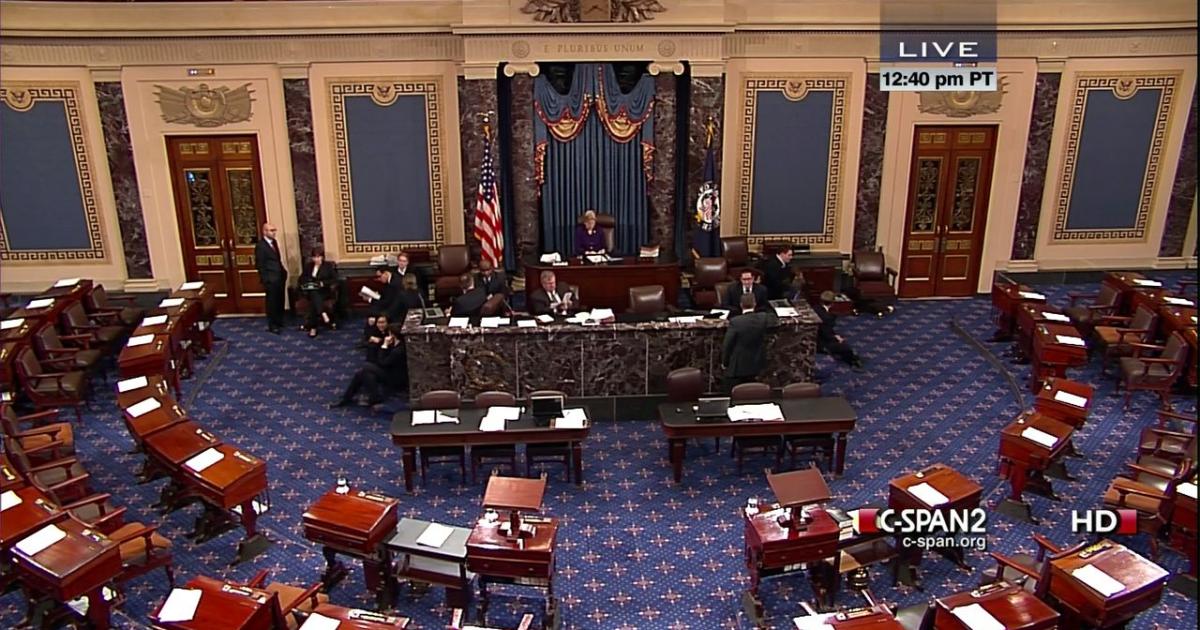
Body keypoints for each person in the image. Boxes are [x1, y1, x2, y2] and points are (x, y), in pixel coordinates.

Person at [330, 315, 406, 410]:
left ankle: (346, 399)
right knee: (364, 374)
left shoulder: (398, 350)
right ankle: (370, 397)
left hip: (394, 377)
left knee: (366, 367)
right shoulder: (395, 345)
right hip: (388, 370)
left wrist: (384, 346)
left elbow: (383, 362)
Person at [722, 293, 779, 391]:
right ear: (755, 304)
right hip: (757, 363)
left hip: (738, 366)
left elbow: (728, 344)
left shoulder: (736, 321)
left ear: (741, 305)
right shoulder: (763, 318)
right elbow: (774, 318)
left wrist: (725, 362)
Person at [815, 290, 864, 370]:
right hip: (821, 343)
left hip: (812, 338)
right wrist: (837, 338)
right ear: (832, 302)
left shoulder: (815, 308)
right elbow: (826, 334)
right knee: (845, 348)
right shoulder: (828, 317)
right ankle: (854, 361)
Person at [254, 223, 287, 334]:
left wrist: (283, 272)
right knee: (272, 302)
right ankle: (272, 325)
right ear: (265, 232)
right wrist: (265, 280)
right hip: (270, 279)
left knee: (279, 300)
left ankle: (279, 321)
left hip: (279, 276)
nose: (273, 232)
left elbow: (277, 260)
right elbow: (260, 265)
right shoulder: (261, 246)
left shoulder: (274, 243)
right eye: (271, 230)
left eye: (274, 230)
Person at [298, 248, 337, 338]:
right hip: (311, 291)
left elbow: (334, 279)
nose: (316, 259)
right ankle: (322, 313)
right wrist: (307, 282)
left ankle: (313, 327)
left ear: (322, 257)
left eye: (318, 257)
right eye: (314, 257)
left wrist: (323, 283)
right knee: (313, 293)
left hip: (324, 291)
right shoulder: (309, 266)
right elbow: (301, 278)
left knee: (313, 301)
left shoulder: (327, 266)